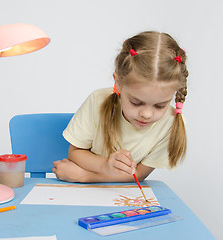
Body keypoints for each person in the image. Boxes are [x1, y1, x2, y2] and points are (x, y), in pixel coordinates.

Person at [52, 31, 188, 183]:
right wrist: (105, 165)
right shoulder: (98, 101)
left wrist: (85, 176)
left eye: (160, 106)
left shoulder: (171, 123)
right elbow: (75, 152)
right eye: (136, 103)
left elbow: (139, 174)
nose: (147, 114)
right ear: (118, 83)